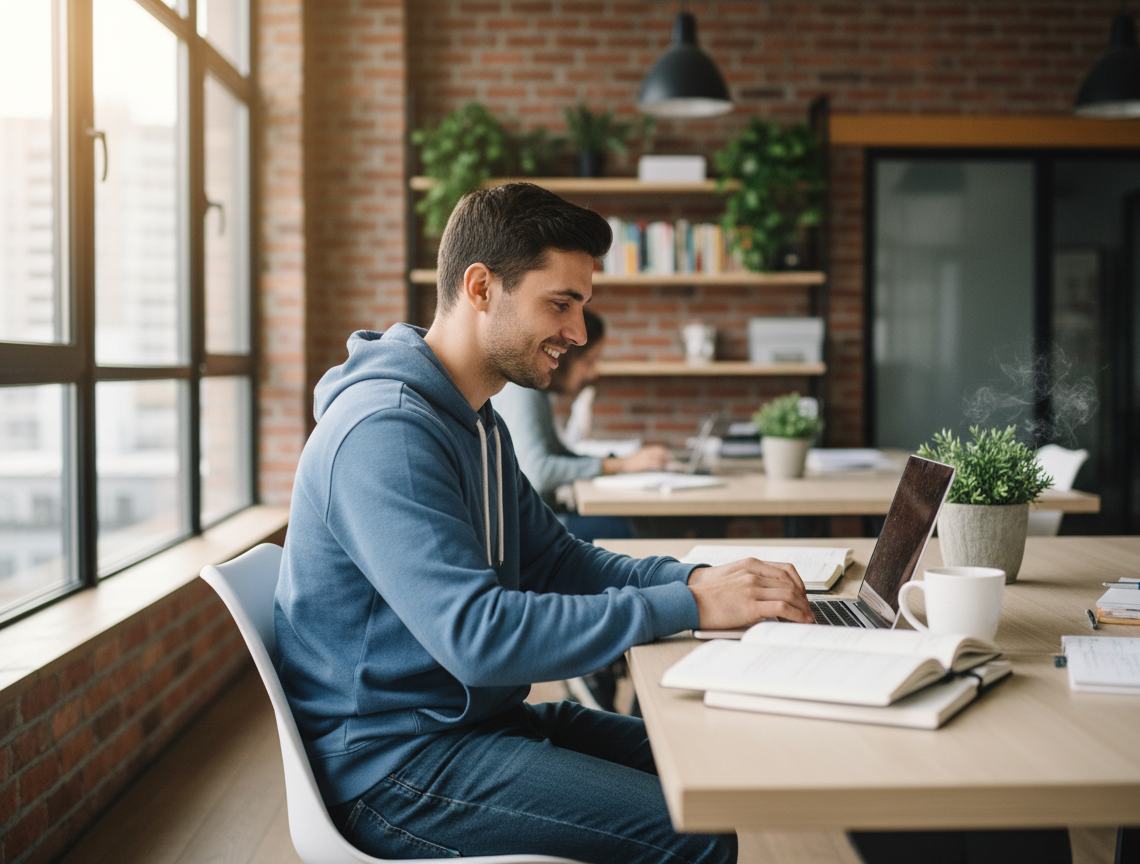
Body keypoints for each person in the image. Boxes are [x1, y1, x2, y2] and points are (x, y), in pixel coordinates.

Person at [274, 182, 813, 863]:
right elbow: (478, 637)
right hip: (397, 767)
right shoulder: (387, 433)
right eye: (560, 303)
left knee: (698, 761)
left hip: (474, 725)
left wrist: (702, 580)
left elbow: (562, 561)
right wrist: (689, 602)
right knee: (694, 835)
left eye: (582, 306)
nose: (579, 333)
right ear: (480, 288)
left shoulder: (475, 420)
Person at [492, 307, 667, 543]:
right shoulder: (522, 390)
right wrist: (621, 465)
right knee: (627, 529)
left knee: (633, 523)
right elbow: (538, 472)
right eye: (590, 360)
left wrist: (620, 461)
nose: (592, 373)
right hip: (526, 532)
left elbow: (557, 452)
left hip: (540, 516)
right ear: (566, 356)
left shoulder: (538, 394)